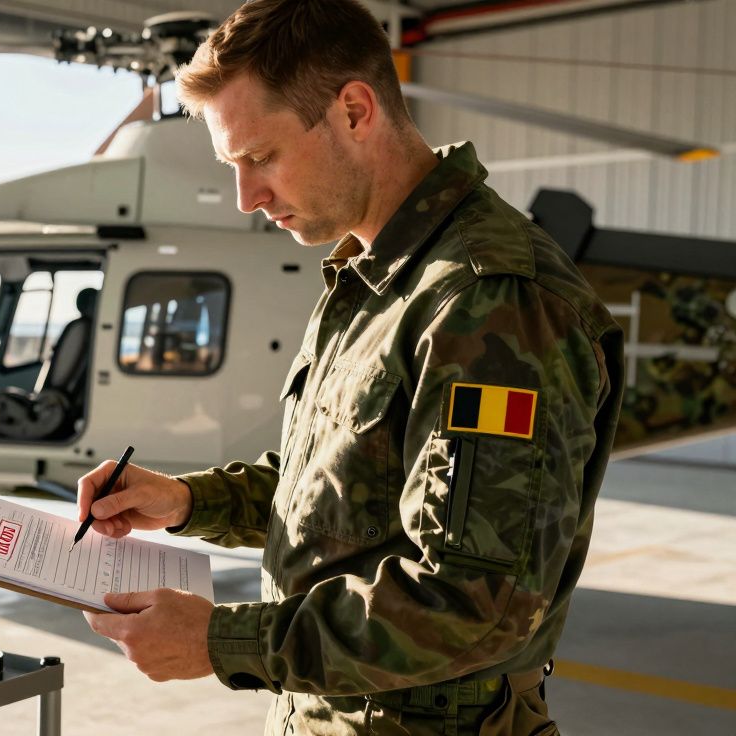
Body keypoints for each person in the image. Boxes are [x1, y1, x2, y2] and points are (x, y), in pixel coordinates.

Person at [76, 1, 625, 734]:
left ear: (356, 112)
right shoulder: (373, 276)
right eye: (234, 167)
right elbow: (348, 489)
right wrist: (186, 501)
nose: (248, 198)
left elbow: (473, 606)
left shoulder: (486, 301)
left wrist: (221, 641)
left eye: (261, 157)